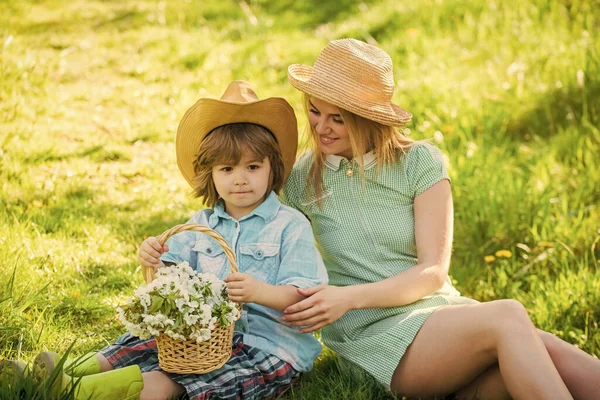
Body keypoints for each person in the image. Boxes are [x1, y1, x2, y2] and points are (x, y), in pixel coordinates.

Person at [279, 38, 600, 400]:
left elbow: (432, 273)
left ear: (368, 117)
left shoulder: (419, 163)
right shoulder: (301, 178)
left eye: (338, 118)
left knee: (536, 353)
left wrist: (347, 296)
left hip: (437, 312)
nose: (321, 127)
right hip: (370, 334)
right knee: (510, 319)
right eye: (314, 111)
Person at [0, 81, 328, 400]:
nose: (240, 179)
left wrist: (261, 292)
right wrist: (154, 260)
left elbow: (306, 298)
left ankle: (76, 391)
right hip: (200, 338)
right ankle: (61, 372)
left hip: (266, 346)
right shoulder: (202, 224)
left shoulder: (289, 226)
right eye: (227, 169)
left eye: (253, 166)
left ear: (273, 168)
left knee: (177, 378)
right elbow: (170, 280)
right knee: (141, 342)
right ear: (210, 174)